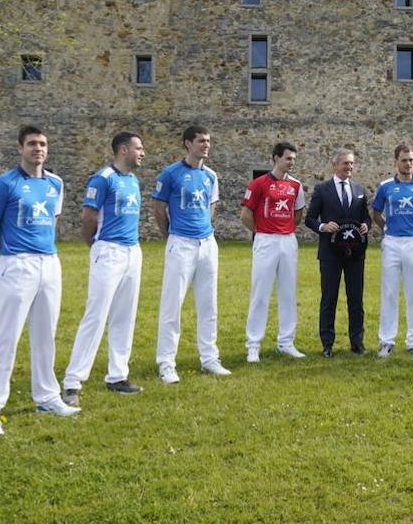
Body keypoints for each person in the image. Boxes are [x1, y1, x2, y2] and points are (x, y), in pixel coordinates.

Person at [0, 126, 79, 436]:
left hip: (49, 262)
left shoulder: (55, 184)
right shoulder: (5, 184)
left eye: (43, 144)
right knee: (5, 338)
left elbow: (53, 221)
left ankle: (47, 396)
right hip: (16, 263)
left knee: (46, 333)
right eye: (32, 144)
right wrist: (8, 258)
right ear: (20, 148)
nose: (38, 149)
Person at [62, 132, 147, 405]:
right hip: (108, 250)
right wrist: (95, 246)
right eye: (139, 148)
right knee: (96, 315)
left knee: (125, 315)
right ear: (123, 150)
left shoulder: (133, 181)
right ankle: (73, 381)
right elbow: (88, 217)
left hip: (132, 252)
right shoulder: (103, 179)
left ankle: (118, 375)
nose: (142, 153)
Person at [152, 125, 228, 383]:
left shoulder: (210, 176)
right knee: (172, 305)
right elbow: (158, 207)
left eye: (208, 141)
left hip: (206, 243)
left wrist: (205, 229)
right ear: (187, 144)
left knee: (209, 303)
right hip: (180, 242)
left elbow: (212, 204)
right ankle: (166, 363)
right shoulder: (171, 173)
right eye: (200, 141)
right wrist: (170, 235)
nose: (205, 145)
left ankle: (209, 358)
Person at [240, 142, 307, 362]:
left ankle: (286, 342)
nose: (292, 162)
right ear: (276, 158)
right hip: (266, 240)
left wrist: (284, 229)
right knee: (260, 293)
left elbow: (298, 215)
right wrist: (261, 233)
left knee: (288, 293)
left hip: (288, 241)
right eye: (288, 158)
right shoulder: (259, 183)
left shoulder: (296, 186)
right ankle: (253, 344)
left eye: (294, 159)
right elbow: (245, 215)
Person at [371, 143, 413, 357]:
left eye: (411, 160)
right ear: (396, 162)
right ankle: (386, 341)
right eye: (404, 160)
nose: (408, 164)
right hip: (391, 243)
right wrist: (387, 229)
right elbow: (376, 214)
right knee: (389, 292)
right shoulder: (385, 187)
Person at [305, 148, 372, 356]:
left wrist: (366, 226)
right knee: (329, 299)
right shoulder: (322, 189)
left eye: (351, 163)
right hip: (330, 254)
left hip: (355, 254)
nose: (349, 167)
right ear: (335, 165)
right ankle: (327, 344)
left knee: (356, 299)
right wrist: (323, 227)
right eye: (345, 163)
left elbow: (366, 217)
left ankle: (357, 342)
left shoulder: (360, 189)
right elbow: (310, 219)